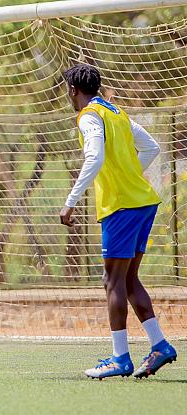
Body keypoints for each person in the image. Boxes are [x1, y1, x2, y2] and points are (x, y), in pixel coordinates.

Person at [60, 64, 177, 379]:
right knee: (127, 280)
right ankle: (160, 346)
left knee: (112, 281)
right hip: (144, 202)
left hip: (122, 207)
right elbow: (151, 147)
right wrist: (129, 174)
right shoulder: (117, 112)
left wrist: (70, 202)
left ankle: (120, 358)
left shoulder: (88, 116)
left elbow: (94, 157)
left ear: (73, 90)